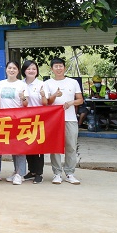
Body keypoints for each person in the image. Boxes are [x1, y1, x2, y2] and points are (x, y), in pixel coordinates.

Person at [44, 57, 84, 185]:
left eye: (60, 66)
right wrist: (55, 95)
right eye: (56, 66)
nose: (58, 68)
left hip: (70, 118)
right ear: (51, 69)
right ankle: (57, 173)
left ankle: (70, 173)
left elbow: (80, 100)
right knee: (55, 147)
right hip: (54, 120)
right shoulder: (48, 83)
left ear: (64, 67)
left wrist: (71, 102)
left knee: (71, 146)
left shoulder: (73, 82)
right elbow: (47, 102)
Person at [0, 60, 27, 185]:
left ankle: (20, 174)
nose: (12, 70)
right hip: (4, 120)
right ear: (6, 69)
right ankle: (16, 171)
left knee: (20, 147)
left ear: (18, 71)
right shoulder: (1, 83)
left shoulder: (22, 84)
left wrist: (23, 97)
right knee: (13, 147)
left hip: (18, 119)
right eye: (10, 68)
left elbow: (26, 104)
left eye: (14, 68)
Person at [21, 60, 47, 184]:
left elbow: (45, 103)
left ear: (37, 71)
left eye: (34, 69)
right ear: (24, 71)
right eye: (28, 68)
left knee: (38, 146)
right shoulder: (20, 84)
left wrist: (43, 95)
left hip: (38, 119)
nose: (31, 71)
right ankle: (31, 171)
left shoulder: (42, 84)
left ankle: (39, 173)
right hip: (24, 119)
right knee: (27, 145)